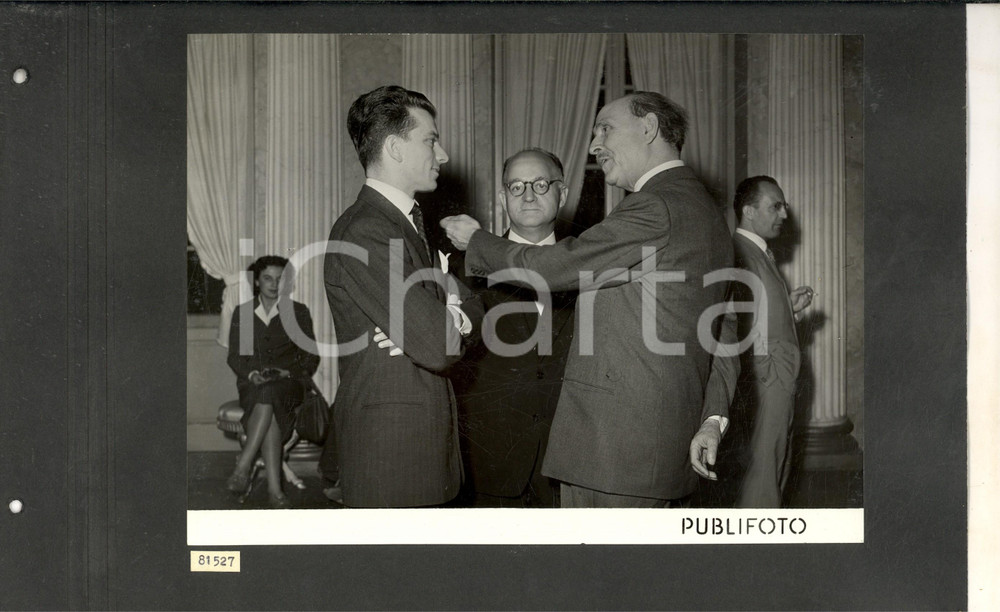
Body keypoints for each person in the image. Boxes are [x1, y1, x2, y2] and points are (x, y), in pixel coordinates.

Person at [441, 92, 735, 508]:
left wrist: (477, 242)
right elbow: (724, 327)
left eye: (605, 129)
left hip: (614, 458)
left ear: (648, 128)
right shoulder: (706, 213)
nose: (594, 145)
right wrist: (712, 419)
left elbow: (560, 265)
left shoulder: (654, 206)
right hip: (657, 456)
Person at [322, 85, 483, 508]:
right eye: (431, 140)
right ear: (395, 147)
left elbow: (473, 307)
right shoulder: (369, 230)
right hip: (393, 455)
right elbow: (439, 345)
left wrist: (447, 314)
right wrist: (443, 318)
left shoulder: (404, 224)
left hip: (417, 445)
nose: (443, 154)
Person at [450, 148, 576, 508]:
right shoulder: (465, 265)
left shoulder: (592, 266)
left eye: (540, 183)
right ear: (503, 198)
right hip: (490, 467)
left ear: (562, 193)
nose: (529, 195)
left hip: (568, 467)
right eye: (517, 187)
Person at [727, 175, 814, 508]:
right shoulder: (743, 253)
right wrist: (767, 372)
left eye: (784, 206)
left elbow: (756, 313)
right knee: (764, 475)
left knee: (775, 465)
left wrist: (788, 309)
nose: (784, 215)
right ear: (749, 211)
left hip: (775, 379)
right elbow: (737, 324)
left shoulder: (757, 252)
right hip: (769, 381)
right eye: (775, 206)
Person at [225, 256, 320, 509]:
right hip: (253, 385)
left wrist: (285, 372)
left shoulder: (297, 312)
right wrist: (251, 374)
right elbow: (236, 357)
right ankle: (275, 492)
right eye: (268, 278)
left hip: (290, 385)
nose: (274, 284)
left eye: (280, 279)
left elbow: (310, 358)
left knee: (271, 394)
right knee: (268, 397)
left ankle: (243, 467)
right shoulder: (244, 313)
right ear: (257, 280)